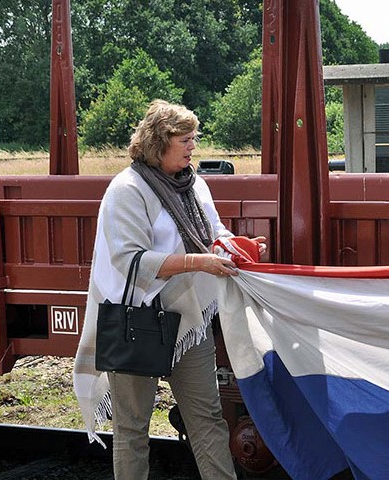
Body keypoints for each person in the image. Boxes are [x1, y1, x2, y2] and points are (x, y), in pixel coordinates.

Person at [73, 100, 265, 479]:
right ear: (158, 142)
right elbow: (130, 261)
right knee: (132, 428)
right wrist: (199, 263)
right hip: (135, 319)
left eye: (195, 138)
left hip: (186, 318)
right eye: (186, 139)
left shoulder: (194, 185)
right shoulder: (126, 190)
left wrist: (238, 245)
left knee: (208, 418)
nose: (194, 145)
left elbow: (212, 233)